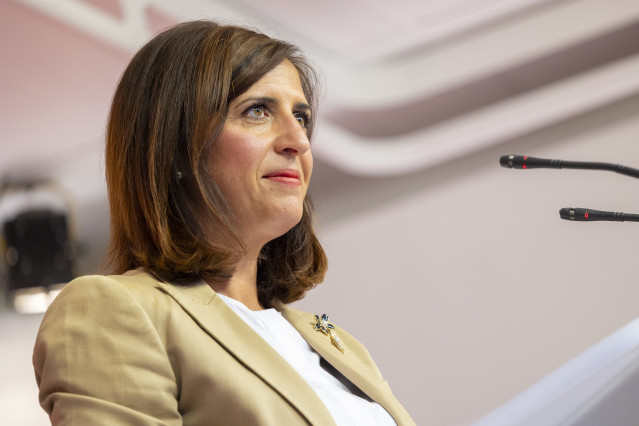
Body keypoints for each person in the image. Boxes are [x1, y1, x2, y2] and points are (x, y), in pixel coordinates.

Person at [32, 20, 415, 425]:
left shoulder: (333, 343)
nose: (298, 140)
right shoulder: (114, 310)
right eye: (257, 110)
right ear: (175, 148)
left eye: (301, 117)